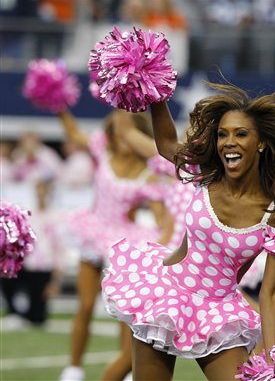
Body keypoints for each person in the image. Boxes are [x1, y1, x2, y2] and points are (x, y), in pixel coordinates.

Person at [101, 82, 275, 381]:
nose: (229, 142)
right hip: (165, 295)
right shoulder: (206, 174)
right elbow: (165, 144)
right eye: (223, 134)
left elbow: (272, 291)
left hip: (218, 312)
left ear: (261, 143)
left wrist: (272, 355)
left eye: (241, 134)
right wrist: (156, 93)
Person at [57, 109, 168, 381]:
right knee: (84, 305)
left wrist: (168, 237)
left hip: (124, 244)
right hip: (93, 233)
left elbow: (162, 219)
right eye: (118, 134)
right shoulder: (103, 152)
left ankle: (129, 371)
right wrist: (58, 105)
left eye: (127, 134)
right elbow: (73, 133)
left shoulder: (149, 175)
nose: (122, 139)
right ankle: (73, 369)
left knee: (125, 313)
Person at [0, 178, 65, 330]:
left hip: (43, 268)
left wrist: (56, 279)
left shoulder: (56, 217)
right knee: (6, 277)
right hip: (26, 264)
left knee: (37, 318)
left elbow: (60, 248)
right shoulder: (29, 214)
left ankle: (30, 314)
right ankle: (14, 312)